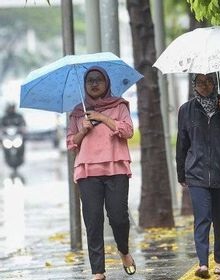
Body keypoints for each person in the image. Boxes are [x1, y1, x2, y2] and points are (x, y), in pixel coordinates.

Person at [66, 66, 136, 280]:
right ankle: (98, 271)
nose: (94, 84)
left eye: (98, 80)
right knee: (93, 220)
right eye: (90, 81)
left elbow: (128, 131)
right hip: (88, 171)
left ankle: (123, 250)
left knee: (118, 218)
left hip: (116, 169)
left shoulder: (119, 106)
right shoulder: (78, 111)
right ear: (85, 86)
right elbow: (70, 143)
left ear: (106, 83)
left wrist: (102, 117)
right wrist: (83, 129)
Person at [176, 73, 220, 278]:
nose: (205, 86)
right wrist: (181, 172)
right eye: (200, 82)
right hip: (196, 173)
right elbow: (182, 143)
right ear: (194, 85)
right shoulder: (186, 110)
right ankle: (202, 264)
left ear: (215, 83)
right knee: (202, 217)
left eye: (209, 82)